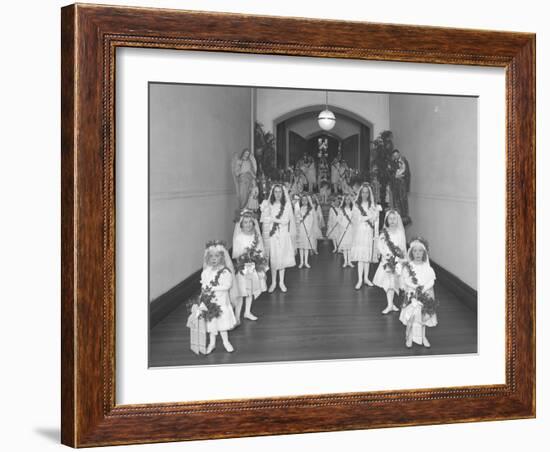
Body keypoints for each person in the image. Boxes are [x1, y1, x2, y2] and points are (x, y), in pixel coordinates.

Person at [399, 239, 438, 348]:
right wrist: (415, 287)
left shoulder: (427, 267)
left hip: (425, 295)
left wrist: (424, 289)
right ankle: (410, 336)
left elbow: (432, 280)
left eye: (420, 251)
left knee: (423, 316)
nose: (418, 254)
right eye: (415, 251)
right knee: (412, 316)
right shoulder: (409, 266)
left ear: (424, 254)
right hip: (413, 294)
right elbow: (406, 279)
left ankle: (423, 336)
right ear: (411, 253)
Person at [201, 241, 238, 354]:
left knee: (222, 323)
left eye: (216, 256)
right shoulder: (206, 272)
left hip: (222, 301)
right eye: (211, 256)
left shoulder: (225, 272)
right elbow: (204, 284)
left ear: (222, 257)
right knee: (212, 323)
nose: (213, 259)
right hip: (210, 302)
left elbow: (227, 285)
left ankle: (225, 342)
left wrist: (212, 288)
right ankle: (212, 344)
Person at [232, 210, 268, 322]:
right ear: (241, 224)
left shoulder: (256, 237)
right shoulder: (239, 237)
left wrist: (258, 260)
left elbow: (261, 250)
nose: (248, 224)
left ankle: (247, 312)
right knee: (241, 292)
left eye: (250, 222)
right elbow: (236, 254)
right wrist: (244, 255)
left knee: (250, 290)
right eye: (245, 222)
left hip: (253, 266)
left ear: (253, 223)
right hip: (243, 267)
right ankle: (237, 316)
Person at [260, 184, 296, 292]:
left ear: (283, 193)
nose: (278, 194)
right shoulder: (269, 205)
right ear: (273, 193)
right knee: (274, 258)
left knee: (282, 258)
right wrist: (265, 211)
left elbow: (286, 221)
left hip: (283, 234)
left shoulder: (287, 205)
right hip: (273, 235)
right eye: (275, 192)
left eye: (280, 192)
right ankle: (274, 282)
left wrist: (273, 219)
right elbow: (264, 219)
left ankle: (281, 282)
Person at [373, 210, 407, 314]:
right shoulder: (384, 232)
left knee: (394, 283)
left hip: (397, 261)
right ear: (387, 220)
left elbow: (402, 247)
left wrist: (401, 258)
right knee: (388, 283)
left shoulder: (400, 233)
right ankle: (390, 305)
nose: (392, 221)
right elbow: (379, 246)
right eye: (390, 219)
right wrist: (385, 254)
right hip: (386, 261)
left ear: (397, 220)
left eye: (394, 219)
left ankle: (391, 304)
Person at [350, 183, 382, 289]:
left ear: (369, 193)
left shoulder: (372, 205)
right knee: (360, 257)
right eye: (363, 192)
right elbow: (356, 219)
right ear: (360, 193)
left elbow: (374, 219)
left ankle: (366, 278)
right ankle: (359, 279)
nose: (365, 194)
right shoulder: (356, 205)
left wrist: (373, 215)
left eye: (367, 192)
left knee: (367, 257)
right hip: (360, 232)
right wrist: (368, 217)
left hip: (368, 232)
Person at [389, 149, 411, 225]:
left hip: (402, 186)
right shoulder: (392, 164)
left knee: (403, 200)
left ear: (399, 154)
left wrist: (406, 185)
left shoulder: (404, 162)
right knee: (396, 201)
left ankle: (404, 214)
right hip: (395, 186)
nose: (396, 157)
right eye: (394, 156)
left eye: (397, 155)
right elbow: (390, 174)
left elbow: (407, 174)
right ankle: (397, 213)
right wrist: (395, 176)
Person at [294, 194, 315, 268]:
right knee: (301, 246)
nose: (304, 201)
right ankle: (301, 262)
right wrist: (298, 220)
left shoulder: (310, 209)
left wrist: (310, 231)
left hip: (307, 229)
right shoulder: (299, 209)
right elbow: (296, 218)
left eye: (306, 200)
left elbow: (312, 220)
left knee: (306, 246)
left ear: (308, 201)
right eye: (303, 200)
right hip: (300, 229)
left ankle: (306, 262)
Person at [337, 195, 355, 268]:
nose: (347, 201)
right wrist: (343, 227)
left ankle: (349, 261)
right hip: (344, 229)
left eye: (349, 199)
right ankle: (345, 261)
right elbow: (338, 219)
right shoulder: (341, 209)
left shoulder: (353, 209)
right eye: (346, 199)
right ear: (344, 201)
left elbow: (355, 218)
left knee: (349, 246)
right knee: (345, 247)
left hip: (351, 229)